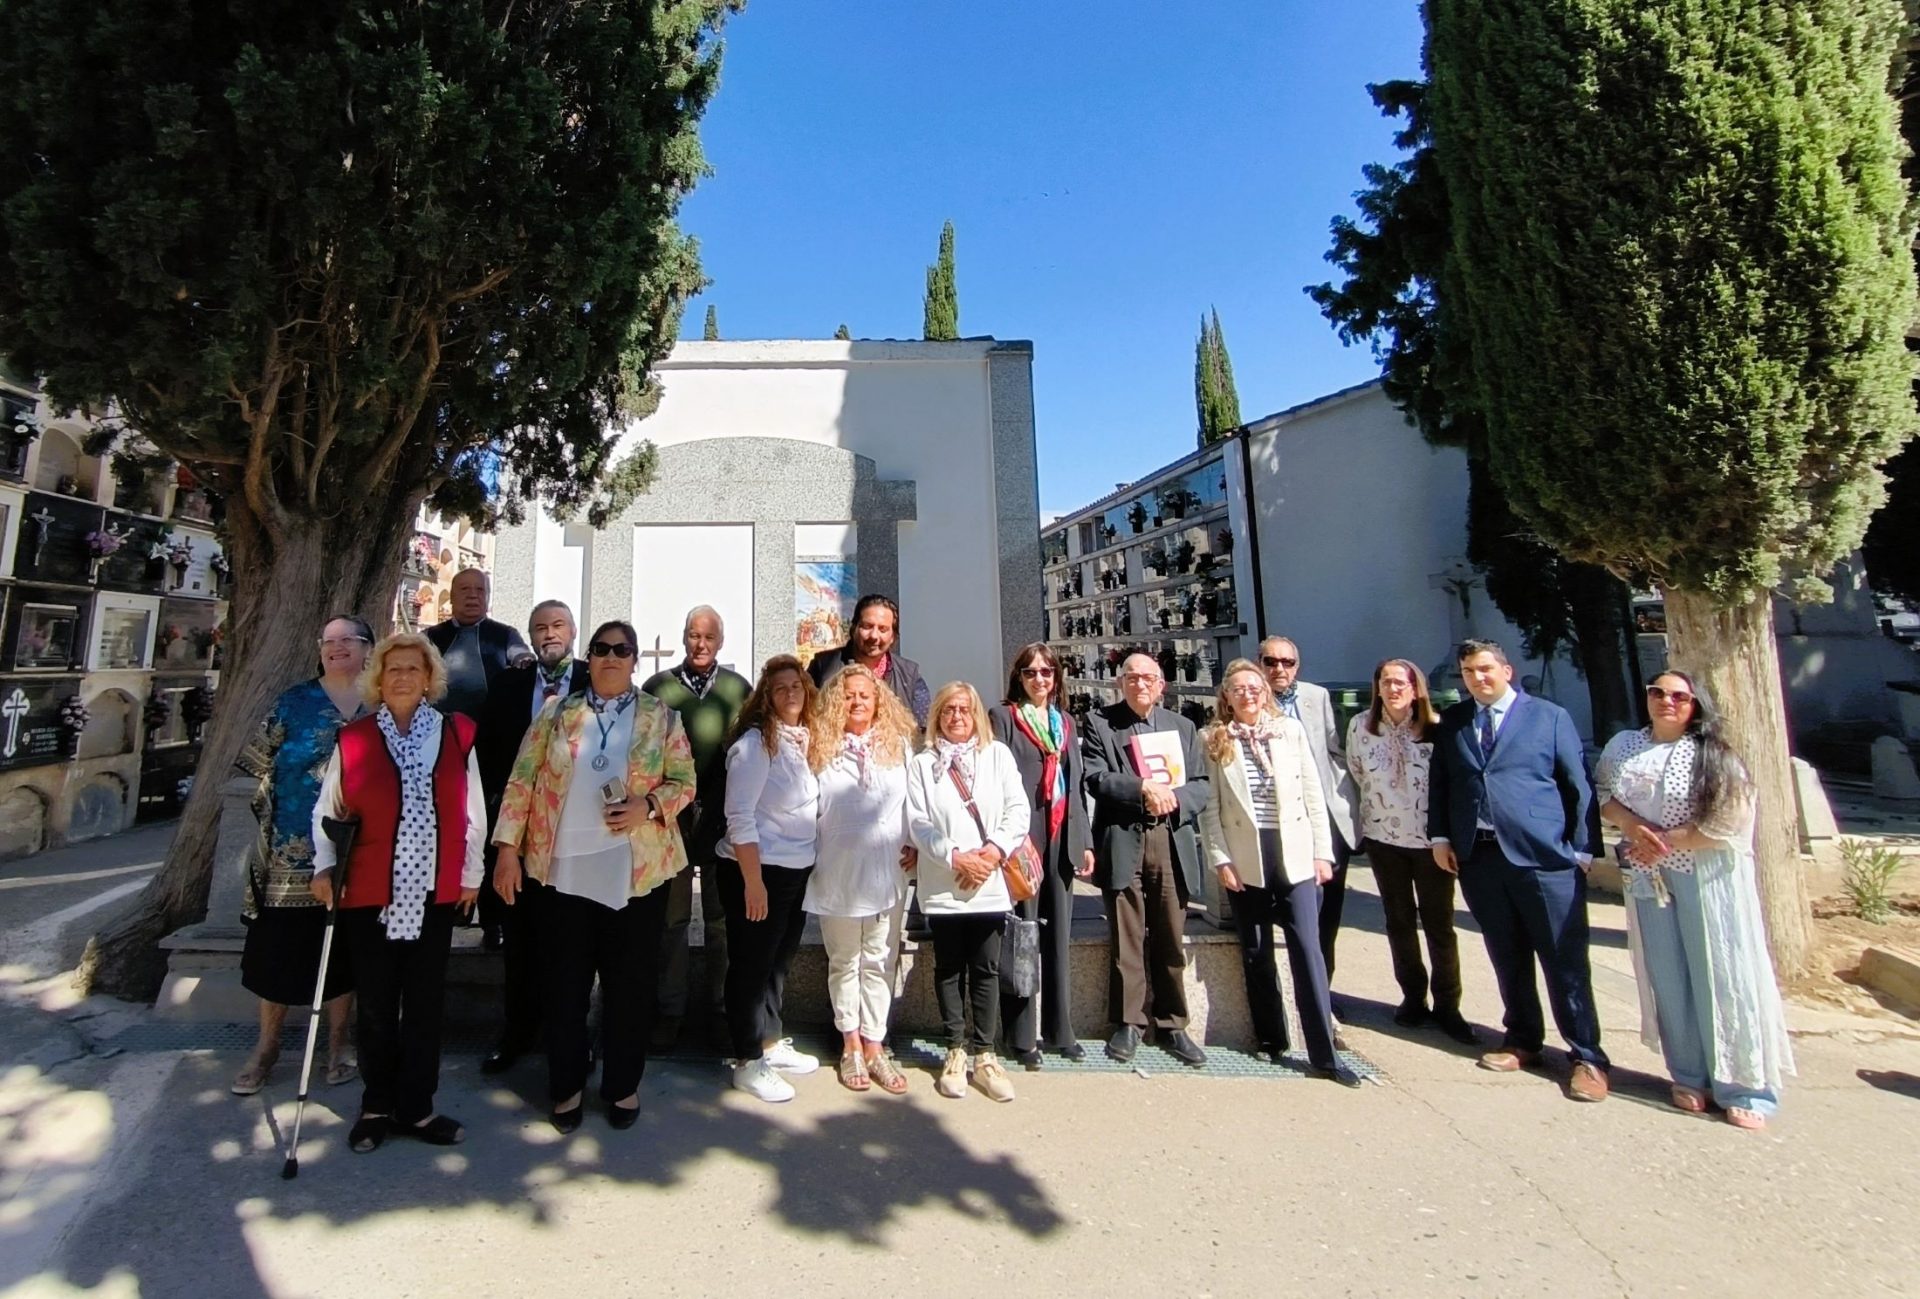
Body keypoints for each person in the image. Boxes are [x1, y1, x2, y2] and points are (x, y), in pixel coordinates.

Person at [491, 619, 694, 1132]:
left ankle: (622, 1086)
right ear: (590, 656)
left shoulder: (662, 717)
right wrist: (507, 850)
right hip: (561, 873)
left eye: (621, 650)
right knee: (564, 987)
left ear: (634, 660)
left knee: (630, 988)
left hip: (635, 874)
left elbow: (685, 782)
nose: (610, 657)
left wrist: (648, 805)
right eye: (601, 649)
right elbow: (521, 780)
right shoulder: (557, 712)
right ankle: (565, 1088)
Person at [1596, 671, 1794, 1130]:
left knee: (1722, 973)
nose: (1667, 701)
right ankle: (1688, 1074)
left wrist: (1665, 839)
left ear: (1695, 705)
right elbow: (1605, 795)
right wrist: (1632, 828)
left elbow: (1730, 819)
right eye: (1657, 693)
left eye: (1679, 696)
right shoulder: (1623, 746)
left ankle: (1743, 1086)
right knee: (1668, 973)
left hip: (1706, 874)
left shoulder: (1714, 755)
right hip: (1648, 874)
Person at [311, 632, 484, 1153]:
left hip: (433, 890)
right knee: (379, 1004)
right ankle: (376, 1105)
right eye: (394, 670)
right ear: (378, 681)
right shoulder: (355, 738)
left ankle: (418, 1107)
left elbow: (472, 811)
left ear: (430, 679)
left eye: (414, 669)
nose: (404, 677)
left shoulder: (456, 733)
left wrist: (471, 874)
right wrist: (323, 868)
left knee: (426, 1003)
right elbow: (328, 809)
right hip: (369, 890)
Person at [1429, 638, 1608, 1102]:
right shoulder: (1454, 721)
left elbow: (1578, 784)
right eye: (1469, 672)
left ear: (1506, 670)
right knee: (1506, 955)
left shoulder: (1548, 717)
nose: (1477, 678)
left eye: (1485, 669)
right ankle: (1522, 1038)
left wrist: (1584, 850)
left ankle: (1586, 1055)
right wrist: (1442, 836)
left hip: (1543, 859)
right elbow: (1443, 783)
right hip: (1481, 858)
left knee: (1564, 961)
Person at [1197, 661, 1359, 1087]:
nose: (1248, 695)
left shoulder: (1290, 733)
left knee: (1308, 950)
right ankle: (1272, 1039)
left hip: (1295, 855)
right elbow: (1211, 808)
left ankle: (1324, 1053)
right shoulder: (1214, 739)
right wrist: (1220, 858)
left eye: (1255, 688)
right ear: (1226, 697)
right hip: (1246, 857)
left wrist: (1323, 854)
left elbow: (1312, 793)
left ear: (1265, 693)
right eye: (1239, 690)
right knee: (1255, 952)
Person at [229, 614, 371, 1096]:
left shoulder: (382, 704)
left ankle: (338, 1043)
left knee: (346, 954)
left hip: (362, 851)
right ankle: (266, 1048)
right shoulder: (294, 701)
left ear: (369, 648)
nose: (335, 648)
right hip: (292, 852)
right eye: (327, 642)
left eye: (346, 640)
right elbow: (256, 762)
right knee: (279, 951)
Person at [472, 599, 591, 1074]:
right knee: (520, 940)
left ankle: (576, 1037)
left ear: (573, 631)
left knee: (577, 943)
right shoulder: (509, 684)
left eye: (558, 625)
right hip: (519, 835)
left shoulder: (592, 678)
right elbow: (488, 757)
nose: (549, 634)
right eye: (540, 627)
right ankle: (517, 1032)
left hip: (578, 832)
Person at [1083, 651, 1212, 1067]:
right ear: (1121, 683)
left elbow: (1201, 785)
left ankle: (1173, 1023)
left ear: (1162, 686)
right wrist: (1141, 788)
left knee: (1170, 935)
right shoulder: (1101, 723)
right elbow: (1096, 777)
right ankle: (1129, 1022)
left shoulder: (1183, 727)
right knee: (1127, 936)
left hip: (1169, 839)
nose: (1140, 685)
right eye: (1132, 678)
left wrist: (1174, 798)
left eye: (1148, 679)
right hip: (1123, 839)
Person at [907, 681, 1031, 1101]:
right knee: (948, 968)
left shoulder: (996, 755)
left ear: (975, 713)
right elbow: (919, 822)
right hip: (945, 883)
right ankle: (955, 1049)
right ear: (936, 716)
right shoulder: (923, 763)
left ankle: (985, 1053)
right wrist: (957, 858)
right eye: (948, 710)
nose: (956, 717)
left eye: (964, 709)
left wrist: (992, 854)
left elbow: (1018, 809)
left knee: (986, 968)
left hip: (990, 882)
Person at [1346, 658, 1475, 1044]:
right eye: (1386, 682)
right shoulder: (1361, 728)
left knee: (1439, 925)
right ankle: (1412, 996)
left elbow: (1451, 782)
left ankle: (1448, 1004)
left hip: (1429, 842)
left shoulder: (1437, 730)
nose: (1393, 689)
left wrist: (1446, 836)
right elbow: (1357, 772)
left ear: (1416, 688)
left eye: (1401, 682)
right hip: (1384, 839)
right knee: (1398, 921)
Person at [641, 604, 752, 1053]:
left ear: (720, 642)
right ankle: (670, 1011)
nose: (700, 644)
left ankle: (723, 1010)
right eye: (693, 635)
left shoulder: (737, 688)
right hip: (672, 821)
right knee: (672, 920)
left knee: (722, 922)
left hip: (724, 820)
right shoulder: (658, 688)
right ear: (683, 638)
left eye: (709, 637)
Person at [805, 664, 916, 1095]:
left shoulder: (899, 746)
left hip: (888, 871)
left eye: (865, 695)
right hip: (837, 871)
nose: (856, 702)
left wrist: (916, 843)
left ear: (878, 701)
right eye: (848, 695)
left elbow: (913, 800)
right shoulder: (820, 747)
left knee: (880, 959)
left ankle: (875, 1043)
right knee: (845, 959)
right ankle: (849, 1042)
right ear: (837, 700)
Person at [718, 655, 824, 1103]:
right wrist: (753, 881)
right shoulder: (756, 745)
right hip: (758, 870)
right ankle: (746, 1060)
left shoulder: (804, 741)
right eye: (779, 688)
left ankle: (769, 1041)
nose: (789, 694)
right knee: (751, 964)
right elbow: (739, 816)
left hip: (794, 871)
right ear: (766, 696)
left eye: (796, 686)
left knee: (777, 963)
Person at [988, 642, 1095, 1066]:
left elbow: (1078, 786)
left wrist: (1083, 840)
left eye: (1047, 672)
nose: (1039, 679)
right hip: (1023, 843)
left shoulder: (1065, 722)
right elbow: (994, 783)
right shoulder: (1005, 719)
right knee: (1021, 936)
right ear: (1019, 677)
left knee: (1058, 940)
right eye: (1030, 672)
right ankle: (1019, 1037)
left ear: (1056, 678)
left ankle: (1059, 1029)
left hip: (1061, 840)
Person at [1259, 636, 1361, 1005]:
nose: (1279, 669)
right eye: (1271, 662)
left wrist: (1343, 801)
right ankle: (1283, 996)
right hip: (1273, 821)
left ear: (1297, 667)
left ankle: (1322, 994)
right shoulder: (1250, 698)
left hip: (1321, 818)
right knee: (1284, 910)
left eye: (1287, 662)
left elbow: (1334, 751)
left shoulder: (1316, 698)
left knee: (1326, 912)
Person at [806, 594, 932, 727]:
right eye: (867, 626)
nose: (874, 636)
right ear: (853, 629)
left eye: (883, 629)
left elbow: (923, 729)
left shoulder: (909, 675)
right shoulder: (822, 667)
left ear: (893, 637)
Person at [425, 568, 531, 722]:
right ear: (451, 596)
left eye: (480, 590)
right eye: (465, 589)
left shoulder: (505, 634)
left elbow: (522, 656)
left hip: (490, 726)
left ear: (488, 597)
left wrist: (525, 660)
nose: (473, 595)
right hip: (437, 727)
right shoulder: (430, 636)